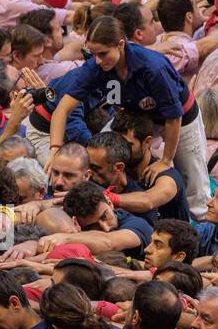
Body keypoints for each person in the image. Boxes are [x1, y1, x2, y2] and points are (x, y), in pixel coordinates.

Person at [48, 16, 209, 221]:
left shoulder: (153, 67)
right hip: (134, 116)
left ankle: (202, 228)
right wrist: (54, 148)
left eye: (103, 53)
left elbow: (174, 117)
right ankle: (100, 206)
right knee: (99, 152)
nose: (97, 60)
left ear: (121, 44)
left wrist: (167, 160)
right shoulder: (95, 66)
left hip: (179, 118)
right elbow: (62, 109)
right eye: (92, 53)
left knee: (193, 181)